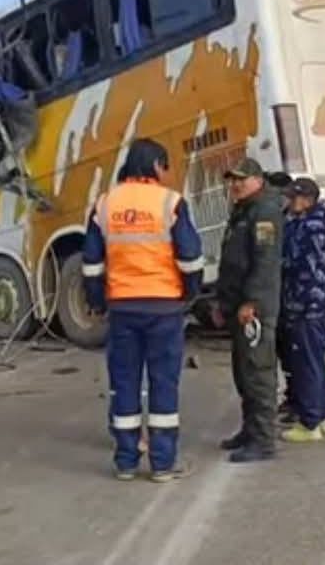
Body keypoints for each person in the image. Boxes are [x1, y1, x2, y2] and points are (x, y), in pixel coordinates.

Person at [82, 139, 204, 482]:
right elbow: (191, 257)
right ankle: (163, 464)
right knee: (163, 383)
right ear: (156, 166)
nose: (166, 175)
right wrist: (189, 294)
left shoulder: (105, 204)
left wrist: (97, 301)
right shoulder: (170, 202)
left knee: (125, 383)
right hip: (164, 307)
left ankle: (126, 461)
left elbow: (91, 263)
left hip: (122, 308)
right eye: (165, 167)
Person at [216, 158, 284, 463]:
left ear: (257, 179)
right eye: (231, 180)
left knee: (258, 373)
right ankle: (250, 430)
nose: (234, 185)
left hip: (254, 309)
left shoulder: (264, 213)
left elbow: (265, 261)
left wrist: (251, 302)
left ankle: (263, 440)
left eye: (240, 179)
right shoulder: (243, 210)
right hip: (238, 306)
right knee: (243, 372)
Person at [278, 178, 325, 443]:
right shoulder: (317, 225)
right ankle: (321, 416)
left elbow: (297, 265)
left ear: (307, 200)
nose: (289, 202)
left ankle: (309, 421)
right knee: (316, 362)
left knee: (306, 364)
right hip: (316, 304)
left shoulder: (307, 227)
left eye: (294, 198)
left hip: (305, 306)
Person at [266, 171, 296, 418]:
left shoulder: (293, 222)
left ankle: (298, 402)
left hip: (290, 298)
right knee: (283, 352)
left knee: (294, 353)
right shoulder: (276, 218)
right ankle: (291, 398)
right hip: (278, 296)